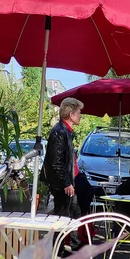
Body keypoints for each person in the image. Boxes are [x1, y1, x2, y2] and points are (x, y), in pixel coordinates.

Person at [45, 97, 84, 249]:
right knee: (63, 215)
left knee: (72, 212)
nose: (81, 115)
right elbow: (56, 162)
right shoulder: (59, 132)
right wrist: (66, 182)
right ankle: (59, 249)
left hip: (66, 180)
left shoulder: (65, 131)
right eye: (79, 112)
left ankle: (73, 245)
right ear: (71, 114)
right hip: (60, 183)